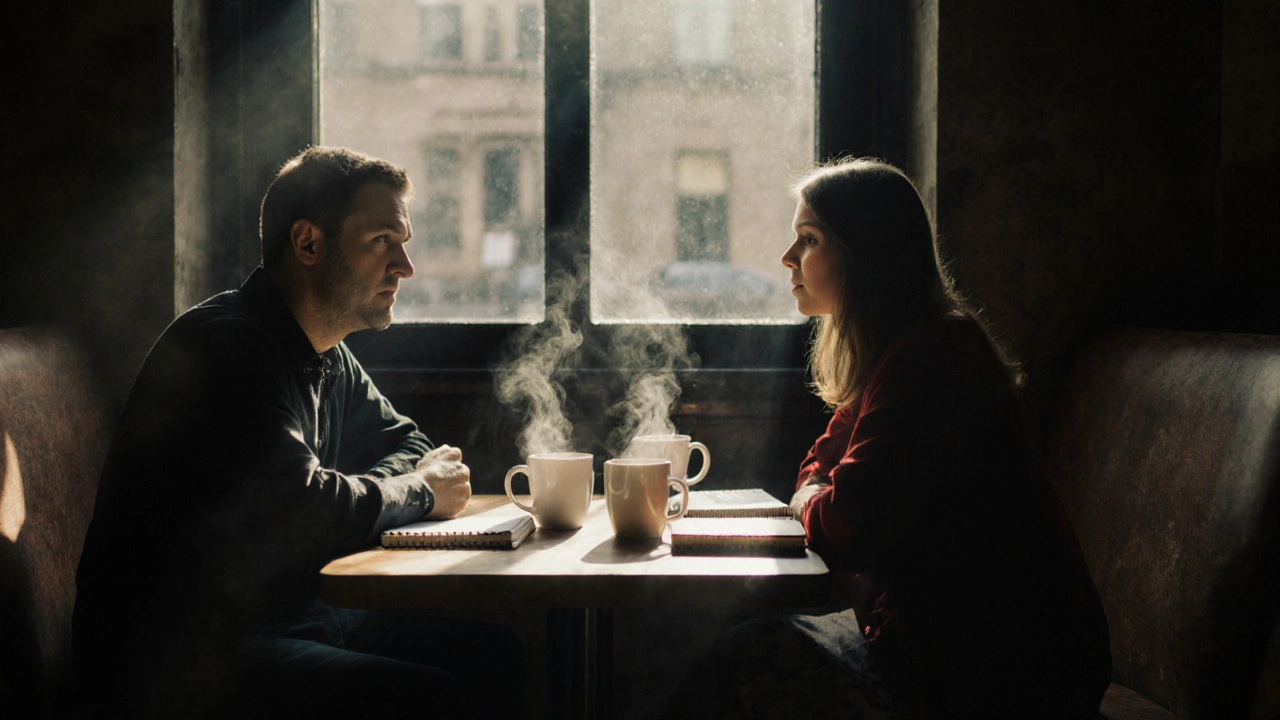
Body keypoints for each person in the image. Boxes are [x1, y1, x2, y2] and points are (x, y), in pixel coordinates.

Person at [73, 147, 520, 719]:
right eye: (383, 240)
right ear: (308, 244)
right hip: (177, 656)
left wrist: (375, 485)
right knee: (422, 697)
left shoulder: (323, 350)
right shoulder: (231, 348)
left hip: (282, 615)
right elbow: (304, 509)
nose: (405, 266)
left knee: (491, 655)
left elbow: (410, 447)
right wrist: (417, 490)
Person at [676, 158, 1112, 719]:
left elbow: (845, 527)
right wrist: (816, 491)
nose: (788, 259)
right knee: (733, 655)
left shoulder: (931, 359)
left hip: (1005, 668)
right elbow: (821, 463)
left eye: (808, 239)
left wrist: (811, 497)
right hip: (960, 644)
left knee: (735, 660)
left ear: (865, 253)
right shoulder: (898, 350)